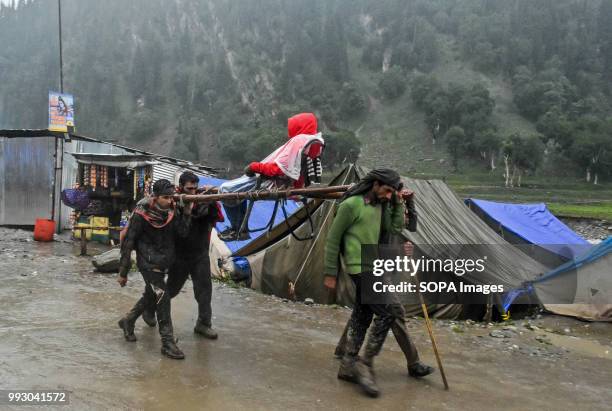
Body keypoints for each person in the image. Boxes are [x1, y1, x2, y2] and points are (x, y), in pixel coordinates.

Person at [323, 168, 434, 397]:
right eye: (386, 190)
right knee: (387, 312)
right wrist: (330, 273)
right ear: (375, 184)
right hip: (358, 265)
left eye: (391, 191)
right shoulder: (351, 205)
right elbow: (333, 239)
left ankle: (347, 365)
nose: (387, 194)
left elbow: (395, 228)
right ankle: (365, 364)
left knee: (362, 314)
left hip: (373, 264)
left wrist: (397, 202)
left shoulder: (381, 206)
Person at [142, 171, 223, 339]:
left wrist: (212, 199)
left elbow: (215, 217)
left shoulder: (205, 201)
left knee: (204, 291)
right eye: (189, 189)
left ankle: (203, 323)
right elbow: (175, 230)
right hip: (180, 255)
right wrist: (185, 208)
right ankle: (149, 309)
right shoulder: (172, 203)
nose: (193, 192)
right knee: (170, 290)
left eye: (195, 188)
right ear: (180, 187)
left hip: (200, 253)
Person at [218, 112, 324, 241]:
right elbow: (296, 171)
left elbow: (278, 169)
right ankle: (240, 227)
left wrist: (254, 166)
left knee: (225, 189)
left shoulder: (299, 140)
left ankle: (237, 229)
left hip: (270, 183)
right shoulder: (314, 142)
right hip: (284, 185)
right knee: (237, 189)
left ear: (298, 126)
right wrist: (296, 188)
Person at [116, 179, 192, 360]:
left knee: (151, 295)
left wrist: (186, 213)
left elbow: (183, 234)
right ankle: (167, 342)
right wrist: (123, 272)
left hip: (164, 262)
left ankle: (128, 320)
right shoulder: (141, 215)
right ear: (155, 198)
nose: (170, 201)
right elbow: (129, 242)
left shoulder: (172, 212)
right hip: (148, 264)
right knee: (162, 298)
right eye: (165, 197)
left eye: (172, 197)